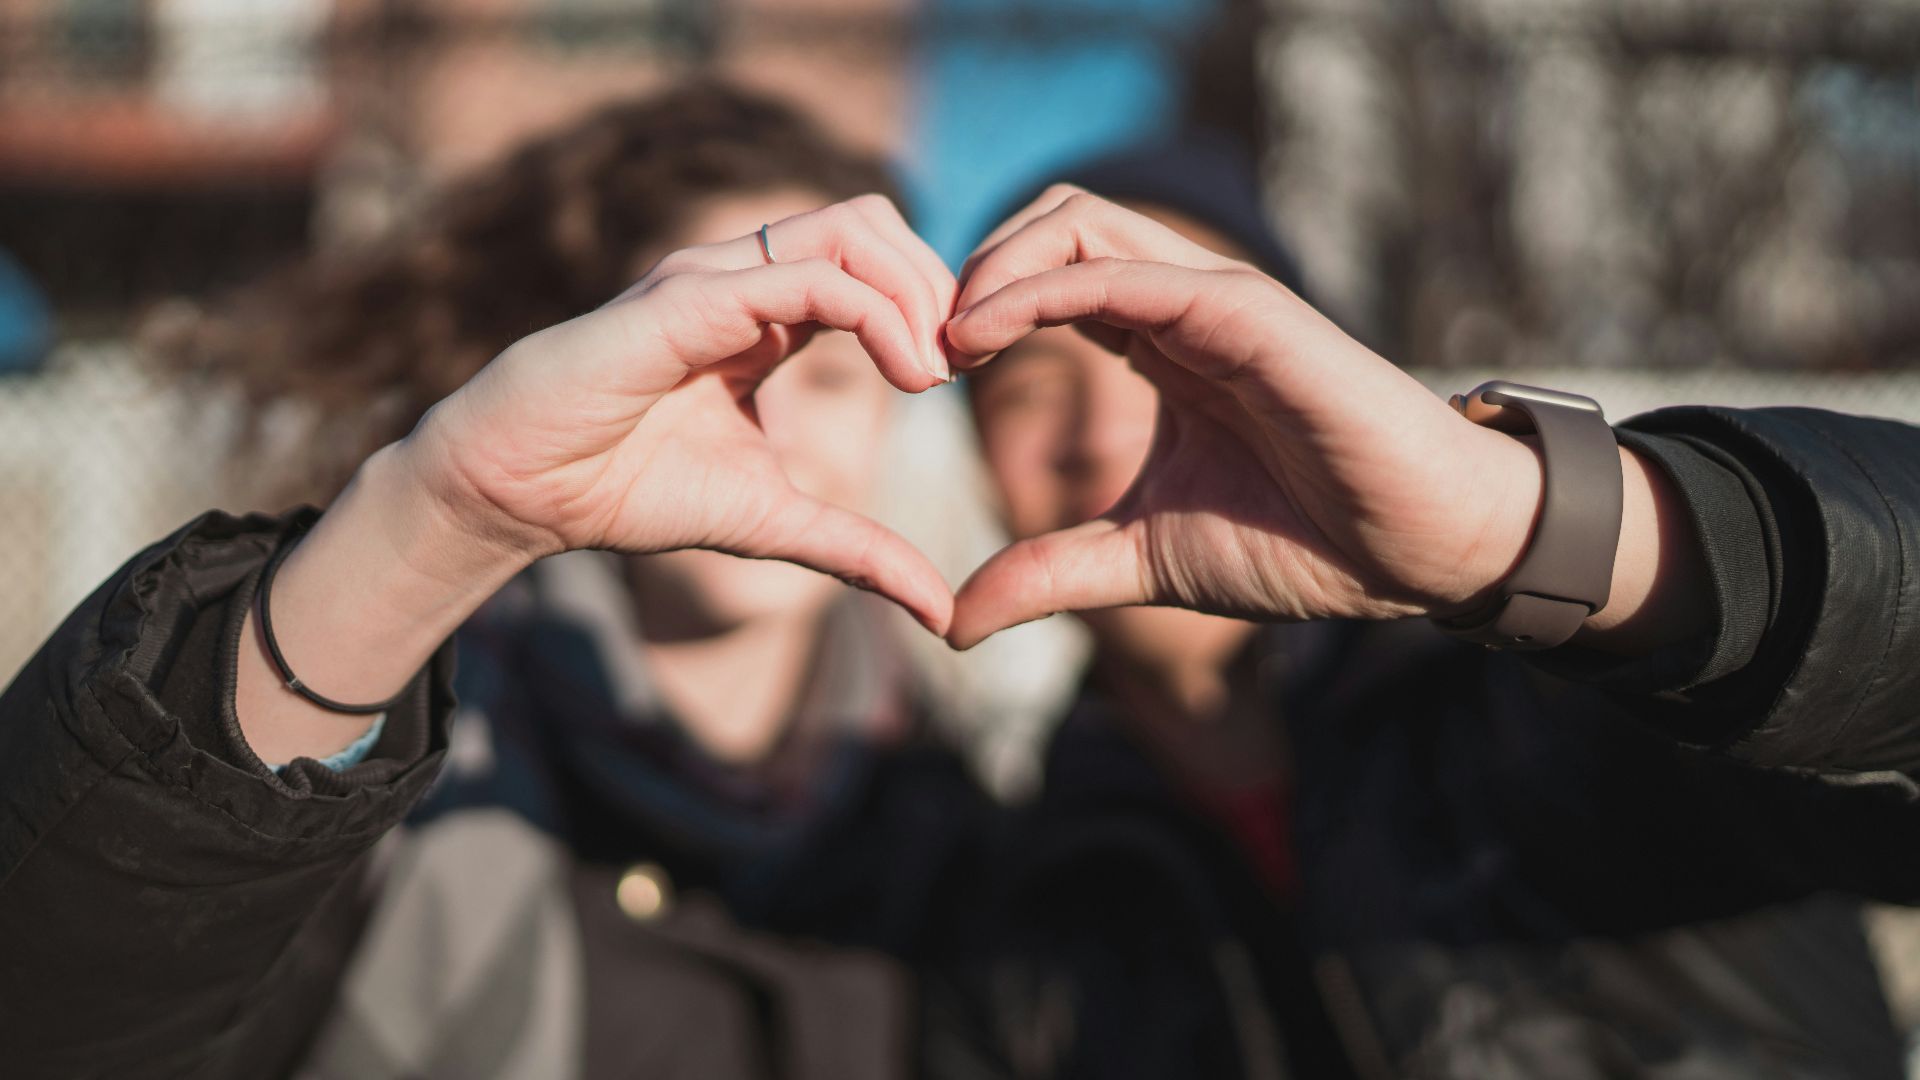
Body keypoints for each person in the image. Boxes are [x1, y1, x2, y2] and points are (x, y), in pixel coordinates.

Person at [1, 83, 1007, 1080]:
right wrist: (439, 519)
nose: (769, 428)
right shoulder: (391, 759)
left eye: (830, 377)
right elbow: (50, 1011)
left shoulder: (959, 825)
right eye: (724, 365)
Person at [941, 136, 1920, 1078]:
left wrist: (1521, 526)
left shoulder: (1588, 687)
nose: (1101, 435)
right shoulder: (1013, 918)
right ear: (984, 468)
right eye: (1027, 389)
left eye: (1163, 351)